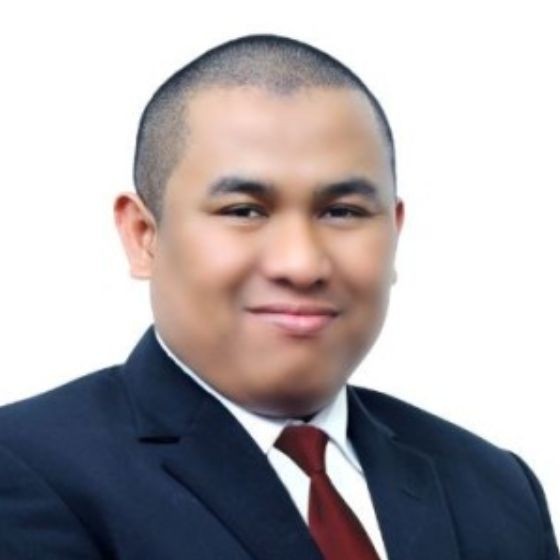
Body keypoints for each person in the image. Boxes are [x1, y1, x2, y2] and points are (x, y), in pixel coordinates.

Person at [0, 34, 557, 560]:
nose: (301, 264)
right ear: (144, 236)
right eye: (244, 210)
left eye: (342, 212)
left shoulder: (495, 486)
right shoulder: (25, 468)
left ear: (394, 232)